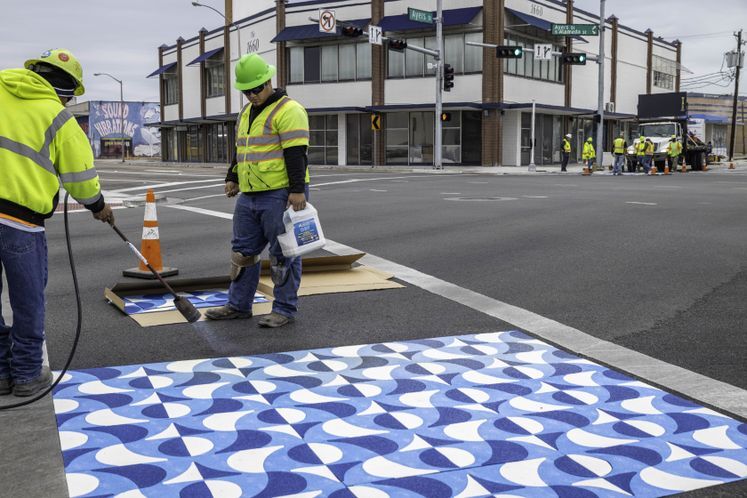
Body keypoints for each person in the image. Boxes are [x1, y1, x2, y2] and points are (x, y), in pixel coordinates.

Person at [0, 49, 114, 397]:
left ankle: (1, 372)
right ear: (66, 91)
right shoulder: (57, 116)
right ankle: (26, 374)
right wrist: (99, 206)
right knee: (28, 301)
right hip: (21, 221)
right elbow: (80, 178)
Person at [206, 53, 310, 328]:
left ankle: (284, 309)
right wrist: (233, 176)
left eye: (256, 89)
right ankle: (238, 305)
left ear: (268, 81)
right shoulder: (245, 112)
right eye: (246, 91)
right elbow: (242, 148)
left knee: (283, 254)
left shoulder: (289, 110)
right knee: (243, 252)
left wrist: (297, 191)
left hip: (281, 193)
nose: (251, 95)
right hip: (250, 193)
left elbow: (296, 154)